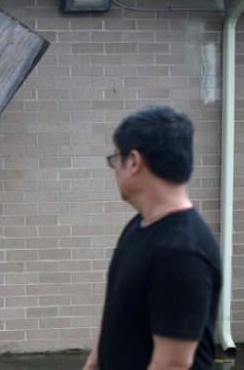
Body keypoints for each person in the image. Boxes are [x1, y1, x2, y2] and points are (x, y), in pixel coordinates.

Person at [82, 105, 221, 370]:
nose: (115, 169)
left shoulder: (183, 253)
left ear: (133, 161)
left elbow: (172, 364)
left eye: (116, 159)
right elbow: (116, 312)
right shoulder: (139, 226)